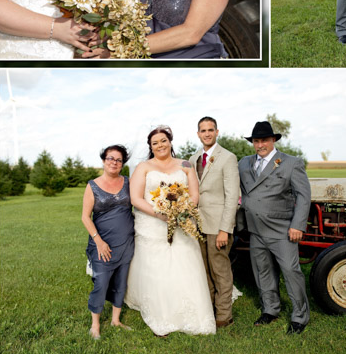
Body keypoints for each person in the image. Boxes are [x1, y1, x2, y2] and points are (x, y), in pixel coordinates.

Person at [125, 126, 215, 337]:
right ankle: (162, 315)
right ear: (151, 146)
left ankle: (193, 314)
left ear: (170, 142)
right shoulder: (143, 167)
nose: (160, 145)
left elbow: (194, 195)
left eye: (163, 141)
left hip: (182, 223)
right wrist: (160, 213)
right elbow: (136, 198)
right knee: (157, 270)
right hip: (152, 224)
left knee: (185, 266)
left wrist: (182, 212)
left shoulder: (184, 165)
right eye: (155, 143)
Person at [239, 121, 312, 335]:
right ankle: (270, 309)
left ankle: (300, 316)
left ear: (273, 140)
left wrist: (298, 225)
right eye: (256, 141)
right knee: (262, 272)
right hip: (255, 229)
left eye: (264, 140)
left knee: (291, 272)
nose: (260, 144)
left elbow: (303, 196)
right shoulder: (244, 163)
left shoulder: (291, 163)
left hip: (282, 230)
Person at [80, 144, 134, 340]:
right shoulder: (92, 185)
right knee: (101, 281)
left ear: (122, 164)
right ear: (104, 160)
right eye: (111, 158)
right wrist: (99, 242)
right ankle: (95, 324)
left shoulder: (129, 182)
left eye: (118, 160)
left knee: (121, 281)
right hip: (102, 243)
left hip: (127, 241)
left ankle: (116, 320)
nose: (114, 162)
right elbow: (85, 217)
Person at [191, 116, 241, 328]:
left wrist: (224, 229)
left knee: (220, 271)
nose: (207, 133)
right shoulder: (193, 159)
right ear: (198, 134)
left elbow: (233, 196)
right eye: (203, 130)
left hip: (218, 225)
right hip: (197, 225)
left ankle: (224, 316)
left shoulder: (227, 158)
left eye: (211, 130)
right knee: (203, 271)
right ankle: (209, 310)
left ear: (217, 132)